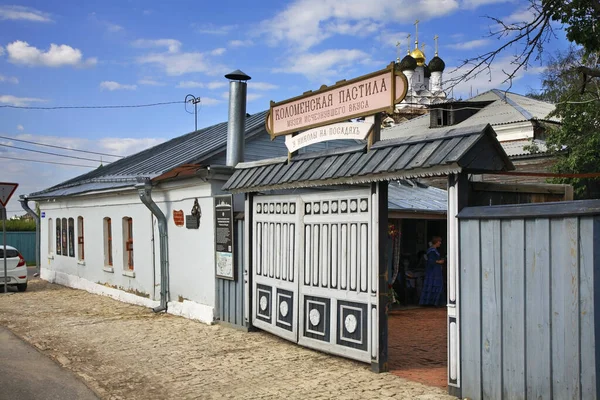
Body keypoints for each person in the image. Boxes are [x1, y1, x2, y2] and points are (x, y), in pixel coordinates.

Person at [419, 236, 445, 307]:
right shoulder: (432, 251)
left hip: (436, 270)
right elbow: (431, 261)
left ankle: (436, 302)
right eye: (439, 241)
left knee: (437, 285)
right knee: (435, 284)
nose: (440, 243)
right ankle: (432, 302)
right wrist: (439, 262)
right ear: (436, 242)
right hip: (433, 271)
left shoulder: (434, 250)